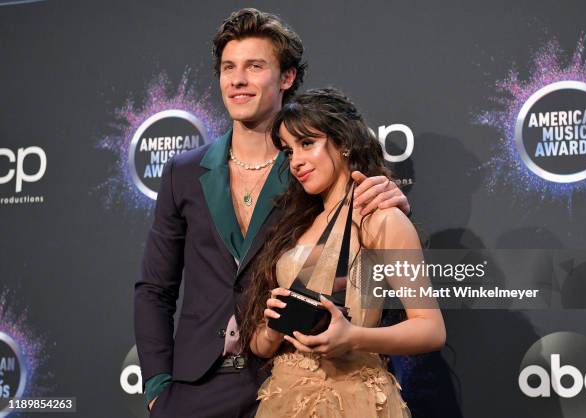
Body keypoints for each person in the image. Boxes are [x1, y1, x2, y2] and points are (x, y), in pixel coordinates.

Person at [134, 9, 411, 418]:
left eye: (254, 66)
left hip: (287, 383)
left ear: (287, 78)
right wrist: (158, 386)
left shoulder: (312, 171)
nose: (238, 80)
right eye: (228, 67)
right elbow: (155, 289)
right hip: (195, 389)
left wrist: (391, 201)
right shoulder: (184, 172)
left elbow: (370, 250)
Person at [239, 88, 446, 418]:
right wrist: (272, 329)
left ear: (345, 142)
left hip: (353, 398)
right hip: (285, 397)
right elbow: (260, 346)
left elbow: (431, 329)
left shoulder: (379, 218)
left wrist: (354, 337)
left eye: (307, 143)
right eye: (289, 151)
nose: (297, 162)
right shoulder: (294, 224)